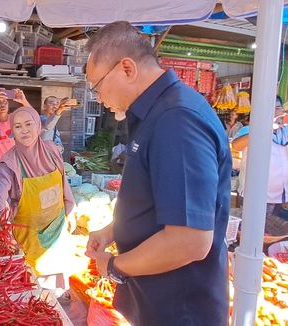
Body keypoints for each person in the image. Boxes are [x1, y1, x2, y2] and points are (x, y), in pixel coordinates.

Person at [84, 21, 231, 325]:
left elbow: (189, 241)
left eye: (97, 86)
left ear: (127, 68)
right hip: (158, 303)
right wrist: (113, 231)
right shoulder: (158, 112)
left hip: (179, 310)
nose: (98, 98)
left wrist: (114, 266)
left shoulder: (176, 120)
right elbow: (158, 200)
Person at [0, 106, 78, 292]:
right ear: (13, 131)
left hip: (58, 227)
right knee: (35, 289)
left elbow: (63, 182)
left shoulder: (51, 151)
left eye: (28, 124)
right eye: (17, 126)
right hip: (29, 236)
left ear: (37, 125)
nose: (24, 130)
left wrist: (70, 208)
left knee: (58, 283)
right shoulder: (9, 163)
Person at [231, 96, 288, 221]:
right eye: (269, 108)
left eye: (277, 108)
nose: (274, 112)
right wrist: (265, 129)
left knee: (276, 231)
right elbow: (236, 146)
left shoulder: (286, 131)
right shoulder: (249, 130)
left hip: (281, 196)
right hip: (254, 195)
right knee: (251, 229)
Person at [0, 88, 31, 164]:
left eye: (5, 101)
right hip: (4, 166)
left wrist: (24, 101)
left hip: (20, 163)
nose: (2, 105)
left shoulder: (15, 118)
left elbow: (34, 119)